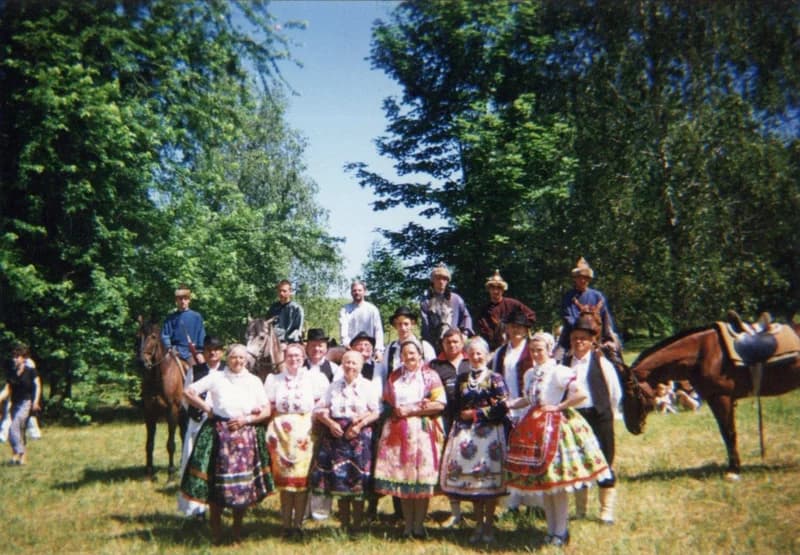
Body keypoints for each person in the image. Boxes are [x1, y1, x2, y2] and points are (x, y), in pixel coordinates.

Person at [506, 332, 612, 546]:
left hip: (555, 428)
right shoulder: (529, 374)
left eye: (540, 350)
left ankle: (561, 531)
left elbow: (581, 394)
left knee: (557, 482)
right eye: (533, 350)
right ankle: (552, 529)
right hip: (533, 427)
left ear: (549, 350)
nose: (536, 354)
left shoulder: (558, 371)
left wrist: (558, 407)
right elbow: (528, 399)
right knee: (545, 482)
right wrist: (509, 404)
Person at [180, 344, 273, 544]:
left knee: (241, 487)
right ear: (227, 358)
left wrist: (246, 420)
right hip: (218, 435)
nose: (237, 361)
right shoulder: (216, 377)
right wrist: (208, 409)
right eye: (233, 357)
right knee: (216, 486)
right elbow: (188, 391)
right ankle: (216, 534)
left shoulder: (254, 381)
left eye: (241, 358)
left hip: (245, 436)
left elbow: (266, 410)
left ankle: (237, 532)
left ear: (246, 360)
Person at [374, 339, 446, 539]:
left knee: (421, 478)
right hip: (398, 431)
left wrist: (413, 408)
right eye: (405, 354)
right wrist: (396, 410)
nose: (409, 357)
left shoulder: (430, 376)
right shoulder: (395, 376)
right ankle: (407, 525)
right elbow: (387, 402)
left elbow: (440, 403)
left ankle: (419, 525)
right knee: (404, 478)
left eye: (412, 353)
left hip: (422, 432)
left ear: (420, 355)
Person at [440, 337, 509, 544]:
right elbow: (456, 406)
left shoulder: (495, 377)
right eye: (472, 353)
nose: (476, 357)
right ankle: (478, 525)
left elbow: (504, 405)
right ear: (467, 355)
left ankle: (489, 527)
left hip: (489, 435)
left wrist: (477, 414)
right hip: (466, 435)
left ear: (487, 355)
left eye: (480, 353)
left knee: (488, 482)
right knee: (474, 482)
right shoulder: (462, 378)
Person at [310, 351, 381, 532]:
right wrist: (330, 423)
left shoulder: (367, 386)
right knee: (339, 479)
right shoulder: (334, 386)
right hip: (336, 436)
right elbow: (320, 409)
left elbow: (376, 411)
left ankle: (356, 526)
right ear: (342, 365)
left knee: (357, 480)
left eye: (354, 363)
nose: (350, 366)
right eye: (347, 363)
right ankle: (344, 524)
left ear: (361, 366)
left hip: (359, 437)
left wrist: (360, 425)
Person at [264, 343, 330, 537]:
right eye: (290, 356)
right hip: (281, 434)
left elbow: (322, 404)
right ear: (285, 357)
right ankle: (286, 524)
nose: (294, 359)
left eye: (298, 356)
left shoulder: (315, 378)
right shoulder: (274, 379)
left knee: (301, 481)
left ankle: (299, 524)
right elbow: (268, 405)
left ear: (303, 358)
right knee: (286, 482)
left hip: (305, 432)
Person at [562, 313, 622, 524]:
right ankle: (580, 510)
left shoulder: (602, 363)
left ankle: (606, 511)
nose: (579, 341)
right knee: (578, 461)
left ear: (592, 341)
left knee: (604, 460)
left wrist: (608, 413)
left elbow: (615, 392)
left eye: (584, 338)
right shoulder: (565, 363)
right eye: (575, 337)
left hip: (599, 416)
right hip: (574, 418)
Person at [177, 336, 226, 517]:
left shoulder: (228, 370)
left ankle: (219, 503)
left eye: (216, 349)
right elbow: (185, 398)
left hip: (221, 425)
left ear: (222, 352)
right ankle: (194, 508)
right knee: (193, 462)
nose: (212, 353)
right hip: (198, 422)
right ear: (203, 352)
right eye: (208, 350)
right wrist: (200, 412)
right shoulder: (195, 370)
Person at [429, 328, 471, 528]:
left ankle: (477, 510)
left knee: (471, 463)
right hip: (445, 420)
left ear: (462, 343)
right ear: (442, 344)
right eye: (448, 343)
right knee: (449, 466)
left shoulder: (471, 362)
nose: (452, 345)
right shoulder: (435, 366)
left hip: (471, 422)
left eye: (455, 342)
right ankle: (456, 512)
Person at [556, 257, 619, 362]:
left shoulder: (597, 296)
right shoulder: (568, 297)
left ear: (589, 279)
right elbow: (568, 318)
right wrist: (585, 329)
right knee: (557, 358)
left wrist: (608, 335)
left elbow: (605, 317)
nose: (582, 280)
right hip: (573, 335)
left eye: (585, 278)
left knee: (615, 355)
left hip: (597, 335)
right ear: (575, 279)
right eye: (580, 277)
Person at [0, 343, 41, 465]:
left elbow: (37, 385)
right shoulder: (12, 373)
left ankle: (19, 452)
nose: (15, 359)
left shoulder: (30, 371)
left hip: (26, 403)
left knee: (14, 428)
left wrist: (36, 401)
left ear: (24, 358)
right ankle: (21, 457)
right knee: (20, 431)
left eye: (17, 356)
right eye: (14, 356)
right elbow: (8, 389)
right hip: (15, 403)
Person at [476, 270, 536, 351]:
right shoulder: (484, 310)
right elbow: (483, 330)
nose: (495, 291)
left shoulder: (513, 304)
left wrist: (517, 327)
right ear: (489, 290)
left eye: (499, 288)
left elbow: (531, 315)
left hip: (515, 344)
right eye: (492, 288)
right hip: (492, 348)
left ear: (503, 290)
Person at [420, 264, 474, 352]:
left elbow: (466, 316)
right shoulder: (426, 301)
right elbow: (425, 326)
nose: (441, 281)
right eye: (438, 278)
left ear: (448, 281)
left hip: (454, 343)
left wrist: (465, 333)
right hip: (435, 344)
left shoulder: (456, 299)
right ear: (433, 280)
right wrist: (428, 345)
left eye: (444, 279)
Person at [379, 306, 436, 386]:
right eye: (399, 324)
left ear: (412, 324)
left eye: (406, 324)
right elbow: (384, 374)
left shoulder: (424, 347)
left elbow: (433, 374)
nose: (403, 328)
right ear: (395, 326)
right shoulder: (390, 349)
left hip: (421, 394)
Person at [339, 280, 385, 361]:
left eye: (359, 290)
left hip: (368, 350)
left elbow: (378, 330)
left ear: (364, 292)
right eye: (354, 290)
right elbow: (343, 328)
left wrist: (378, 350)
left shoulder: (372, 309)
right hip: (351, 349)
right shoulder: (345, 309)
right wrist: (346, 344)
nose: (357, 292)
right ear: (351, 293)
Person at [162, 284, 206, 367]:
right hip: (175, 351)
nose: (183, 301)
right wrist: (169, 347)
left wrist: (199, 351)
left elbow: (201, 335)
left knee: (202, 370)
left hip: (191, 352)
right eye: (180, 299)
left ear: (189, 300)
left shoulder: (196, 316)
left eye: (185, 299)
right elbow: (165, 335)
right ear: (176, 300)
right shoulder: (171, 318)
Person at [266, 279, 305, 345]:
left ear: (290, 292)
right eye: (279, 291)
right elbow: (268, 326)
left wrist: (287, 343)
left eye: (284, 291)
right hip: (273, 342)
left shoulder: (296, 309)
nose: (281, 293)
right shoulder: (273, 308)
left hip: (290, 343)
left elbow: (297, 330)